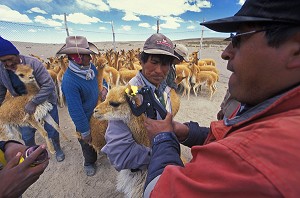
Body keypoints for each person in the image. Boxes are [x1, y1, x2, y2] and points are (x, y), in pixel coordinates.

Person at [143, 0, 300, 197]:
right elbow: (234, 136)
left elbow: (159, 191)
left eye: (238, 39)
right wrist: (188, 132)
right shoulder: (275, 114)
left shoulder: (255, 159)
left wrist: (163, 138)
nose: (225, 53)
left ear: (296, 49)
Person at [101, 33, 180, 172]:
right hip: (142, 170)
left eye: (165, 64)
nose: (159, 70)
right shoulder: (128, 96)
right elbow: (119, 155)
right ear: (142, 61)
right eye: (154, 62)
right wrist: (160, 155)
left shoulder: (164, 89)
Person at [0, 36, 65, 162]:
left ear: (16, 54)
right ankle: (33, 153)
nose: (8, 63)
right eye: (3, 61)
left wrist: (34, 102)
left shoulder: (33, 63)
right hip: (22, 106)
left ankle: (57, 148)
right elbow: (1, 91)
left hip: (45, 101)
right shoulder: (2, 70)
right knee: (27, 134)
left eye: (9, 59)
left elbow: (48, 85)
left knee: (52, 128)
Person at [57, 35, 108, 176]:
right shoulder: (69, 81)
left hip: (98, 111)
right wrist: (84, 131)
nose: (91, 58)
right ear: (77, 58)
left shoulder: (89, 67)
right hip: (85, 118)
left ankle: (103, 149)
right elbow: (75, 110)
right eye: (87, 55)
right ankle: (89, 162)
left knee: (104, 134)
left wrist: (104, 88)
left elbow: (99, 79)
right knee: (87, 143)